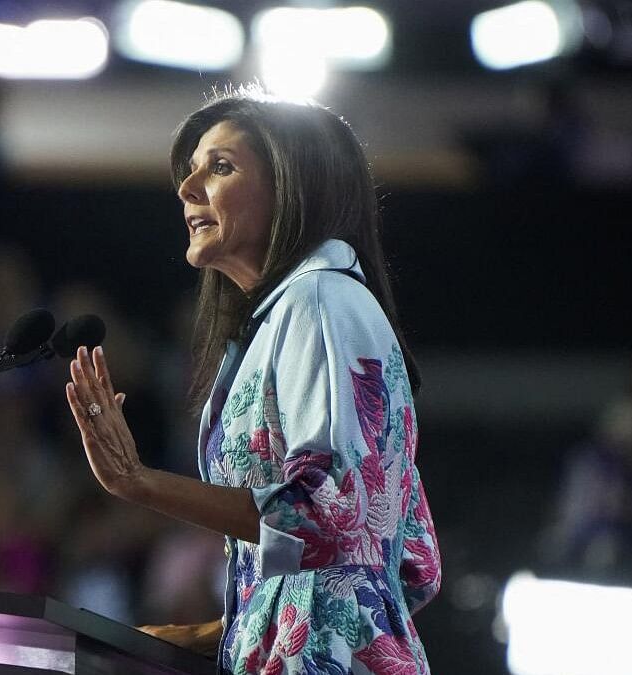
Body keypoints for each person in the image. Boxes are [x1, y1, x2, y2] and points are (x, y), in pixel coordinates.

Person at [64, 89, 441, 674]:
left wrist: (138, 482)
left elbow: (331, 512)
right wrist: (224, 629)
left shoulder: (322, 299)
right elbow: (408, 562)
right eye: (190, 171)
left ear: (292, 188)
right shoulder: (285, 319)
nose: (188, 190)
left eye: (220, 167)